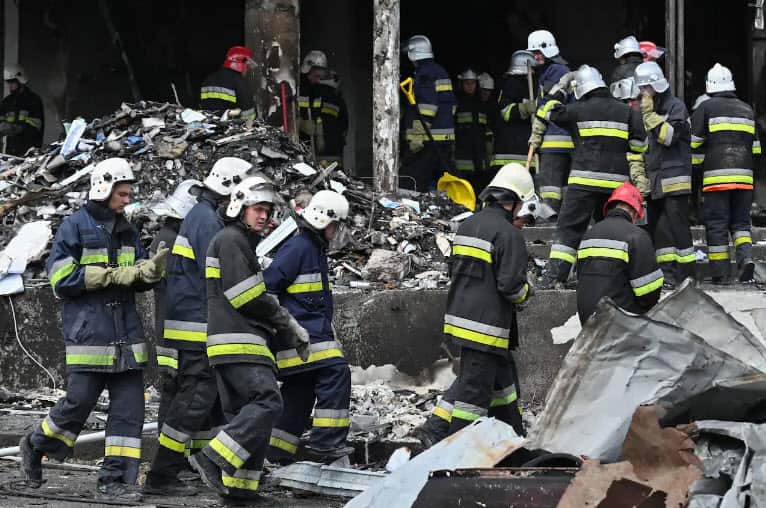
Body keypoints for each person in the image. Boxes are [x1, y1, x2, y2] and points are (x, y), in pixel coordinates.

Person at [20, 159, 167, 502]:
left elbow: (138, 277)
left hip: (127, 339)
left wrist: (149, 273)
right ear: (104, 187)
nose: (128, 200)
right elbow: (61, 280)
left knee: (129, 415)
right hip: (92, 336)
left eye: (130, 194)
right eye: (123, 193)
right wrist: (111, 274)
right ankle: (35, 443)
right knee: (77, 404)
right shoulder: (75, 227)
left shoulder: (128, 230)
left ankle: (113, 482)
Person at [189, 176, 310, 502]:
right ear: (238, 206)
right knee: (267, 402)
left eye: (267, 211)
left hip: (233, 341)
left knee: (248, 415)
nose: (264, 216)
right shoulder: (231, 240)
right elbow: (248, 297)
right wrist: (287, 321)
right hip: (240, 340)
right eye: (258, 209)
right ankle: (212, 457)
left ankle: (242, 493)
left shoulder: (239, 242)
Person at [144, 158, 251, 496]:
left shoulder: (202, 215)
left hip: (195, 326)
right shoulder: (206, 221)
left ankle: (209, 464)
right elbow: (220, 272)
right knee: (193, 402)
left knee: (210, 403)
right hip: (195, 329)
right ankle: (161, 476)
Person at [412, 163, 537, 448]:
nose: (524, 221)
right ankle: (458, 448)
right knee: (474, 394)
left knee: (498, 381)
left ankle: (510, 435)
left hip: (461, 320)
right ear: (516, 202)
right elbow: (511, 287)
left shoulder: (469, 225)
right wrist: (529, 291)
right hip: (487, 326)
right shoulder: (509, 235)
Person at [536, 65, 647, 289]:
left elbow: (545, 110)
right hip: (615, 186)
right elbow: (640, 145)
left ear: (581, 89)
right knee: (612, 230)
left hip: (583, 183)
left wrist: (560, 87)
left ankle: (554, 276)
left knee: (568, 230)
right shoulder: (627, 112)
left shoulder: (577, 109)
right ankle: (611, 275)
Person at [265, 190, 354, 465]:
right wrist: (286, 323)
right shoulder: (300, 247)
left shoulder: (312, 247)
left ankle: (275, 451)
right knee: (336, 371)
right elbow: (268, 286)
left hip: (306, 335)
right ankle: (326, 443)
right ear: (324, 221)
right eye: (336, 225)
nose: (337, 231)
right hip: (297, 337)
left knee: (300, 390)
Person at [690, 63, 761, 283]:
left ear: (709, 85)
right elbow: (756, 149)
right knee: (740, 223)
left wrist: (697, 170)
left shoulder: (706, 108)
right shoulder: (747, 109)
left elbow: (694, 143)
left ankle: (720, 273)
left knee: (717, 224)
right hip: (745, 178)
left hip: (716, 179)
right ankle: (746, 259)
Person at [148, 180, 202, 429]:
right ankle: (167, 449)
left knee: (175, 387)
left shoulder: (166, 235)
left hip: (168, 324)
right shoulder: (171, 240)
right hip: (174, 327)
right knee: (175, 388)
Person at [635, 61, 694, 288]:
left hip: (675, 179)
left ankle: (688, 275)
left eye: (645, 88)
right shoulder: (651, 110)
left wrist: (650, 117)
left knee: (678, 228)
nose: (642, 94)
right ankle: (667, 275)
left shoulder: (675, 107)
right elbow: (644, 147)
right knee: (661, 231)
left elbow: (669, 138)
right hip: (656, 180)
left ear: (655, 86)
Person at [576, 182, 663, 323]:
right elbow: (649, 293)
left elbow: (582, 279)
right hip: (619, 322)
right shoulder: (637, 236)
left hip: (587, 318)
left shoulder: (589, 234)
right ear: (635, 212)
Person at [527, 30, 574, 217]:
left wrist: (537, 132)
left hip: (555, 141)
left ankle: (548, 220)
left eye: (538, 52)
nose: (536, 56)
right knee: (561, 187)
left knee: (550, 188)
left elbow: (549, 103)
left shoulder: (556, 71)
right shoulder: (554, 70)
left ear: (548, 49)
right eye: (534, 53)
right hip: (563, 140)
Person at [400, 35, 456, 192]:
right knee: (445, 184)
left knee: (409, 182)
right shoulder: (441, 72)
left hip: (426, 141)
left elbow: (427, 106)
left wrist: (417, 135)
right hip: (444, 141)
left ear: (413, 55)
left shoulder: (425, 74)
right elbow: (451, 106)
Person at [490, 51, 537, 192]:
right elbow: (505, 112)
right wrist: (525, 108)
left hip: (520, 149)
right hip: (513, 150)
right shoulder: (512, 84)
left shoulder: (529, 84)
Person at [298, 50, 349, 167]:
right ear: (307, 70)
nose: (318, 80)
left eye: (320, 77)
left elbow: (341, 125)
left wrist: (319, 134)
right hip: (310, 150)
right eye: (316, 76)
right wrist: (300, 123)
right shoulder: (298, 89)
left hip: (324, 152)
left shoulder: (317, 92)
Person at [454, 68, 489, 188]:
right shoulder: (457, 103)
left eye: (472, 83)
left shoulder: (482, 104)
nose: (470, 86)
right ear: (461, 84)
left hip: (480, 156)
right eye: (466, 83)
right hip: (462, 154)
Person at [200, 46, 256, 121]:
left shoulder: (209, 78)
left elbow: (203, 105)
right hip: (230, 127)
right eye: (247, 65)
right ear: (242, 63)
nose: (247, 69)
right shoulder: (239, 81)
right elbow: (248, 109)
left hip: (208, 124)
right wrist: (250, 126)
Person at [1, 65, 44, 155]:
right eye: (8, 82)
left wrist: (15, 128)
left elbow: (36, 126)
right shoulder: (7, 102)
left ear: (20, 80)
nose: (9, 85)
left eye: (12, 82)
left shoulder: (33, 100)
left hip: (29, 150)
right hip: (11, 150)